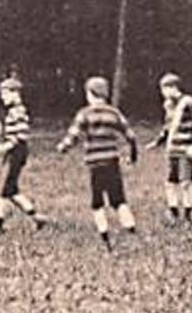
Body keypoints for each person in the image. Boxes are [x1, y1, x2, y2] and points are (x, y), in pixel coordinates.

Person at [57, 76, 139, 251]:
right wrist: (133, 154)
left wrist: (63, 147)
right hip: (112, 162)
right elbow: (130, 136)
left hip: (95, 164)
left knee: (97, 202)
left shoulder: (85, 114)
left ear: (89, 94)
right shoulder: (114, 113)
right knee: (119, 200)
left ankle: (105, 235)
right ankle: (131, 229)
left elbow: (74, 136)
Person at [0, 77, 48, 236]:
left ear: (15, 93)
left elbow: (17, 139)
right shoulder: (13, 111)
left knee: (4, 191)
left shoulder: (18, 111)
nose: (3, 98)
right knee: (11, 191)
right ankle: (37, 218)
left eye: (5, 94)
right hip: (14, 152)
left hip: (16, 152)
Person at [153, 73, 192, 223]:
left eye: (164, 89)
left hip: (186, 150)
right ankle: (173, 212)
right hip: (173, 150)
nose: (162, 93)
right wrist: (158, 141)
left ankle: (188, 216)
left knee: (186, 182)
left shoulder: (188, 102)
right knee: (170, 182)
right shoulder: (168, 105)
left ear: (173, 88)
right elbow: (168, 127)